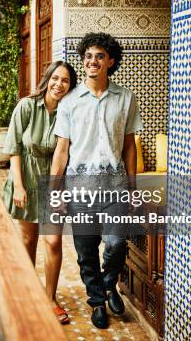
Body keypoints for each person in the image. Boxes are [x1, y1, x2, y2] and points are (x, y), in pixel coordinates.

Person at [50, 33, 142, 329]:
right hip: (80, 186)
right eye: (88, 56)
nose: (92, 61)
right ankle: (98, 302)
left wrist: (133, 186)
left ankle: (109, 283)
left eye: (99, 56)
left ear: (110, 62)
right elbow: (62, 150)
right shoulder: (70, 101)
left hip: (115, 185)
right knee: (86, 250)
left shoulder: (126, 98)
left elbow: (130, 145)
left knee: (116, 243)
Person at [2, 60, 78, 325]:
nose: (59, 84)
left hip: (55, 180)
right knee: (28, 239)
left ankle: (50, 298)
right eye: (56, 78)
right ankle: (27, 292)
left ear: (71, 86)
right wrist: (18, 185)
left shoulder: (69, 112)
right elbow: (14, 149)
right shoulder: (26, 106)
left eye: (66, 81)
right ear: (47, 79)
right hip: (26, 178)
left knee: (53, 241)